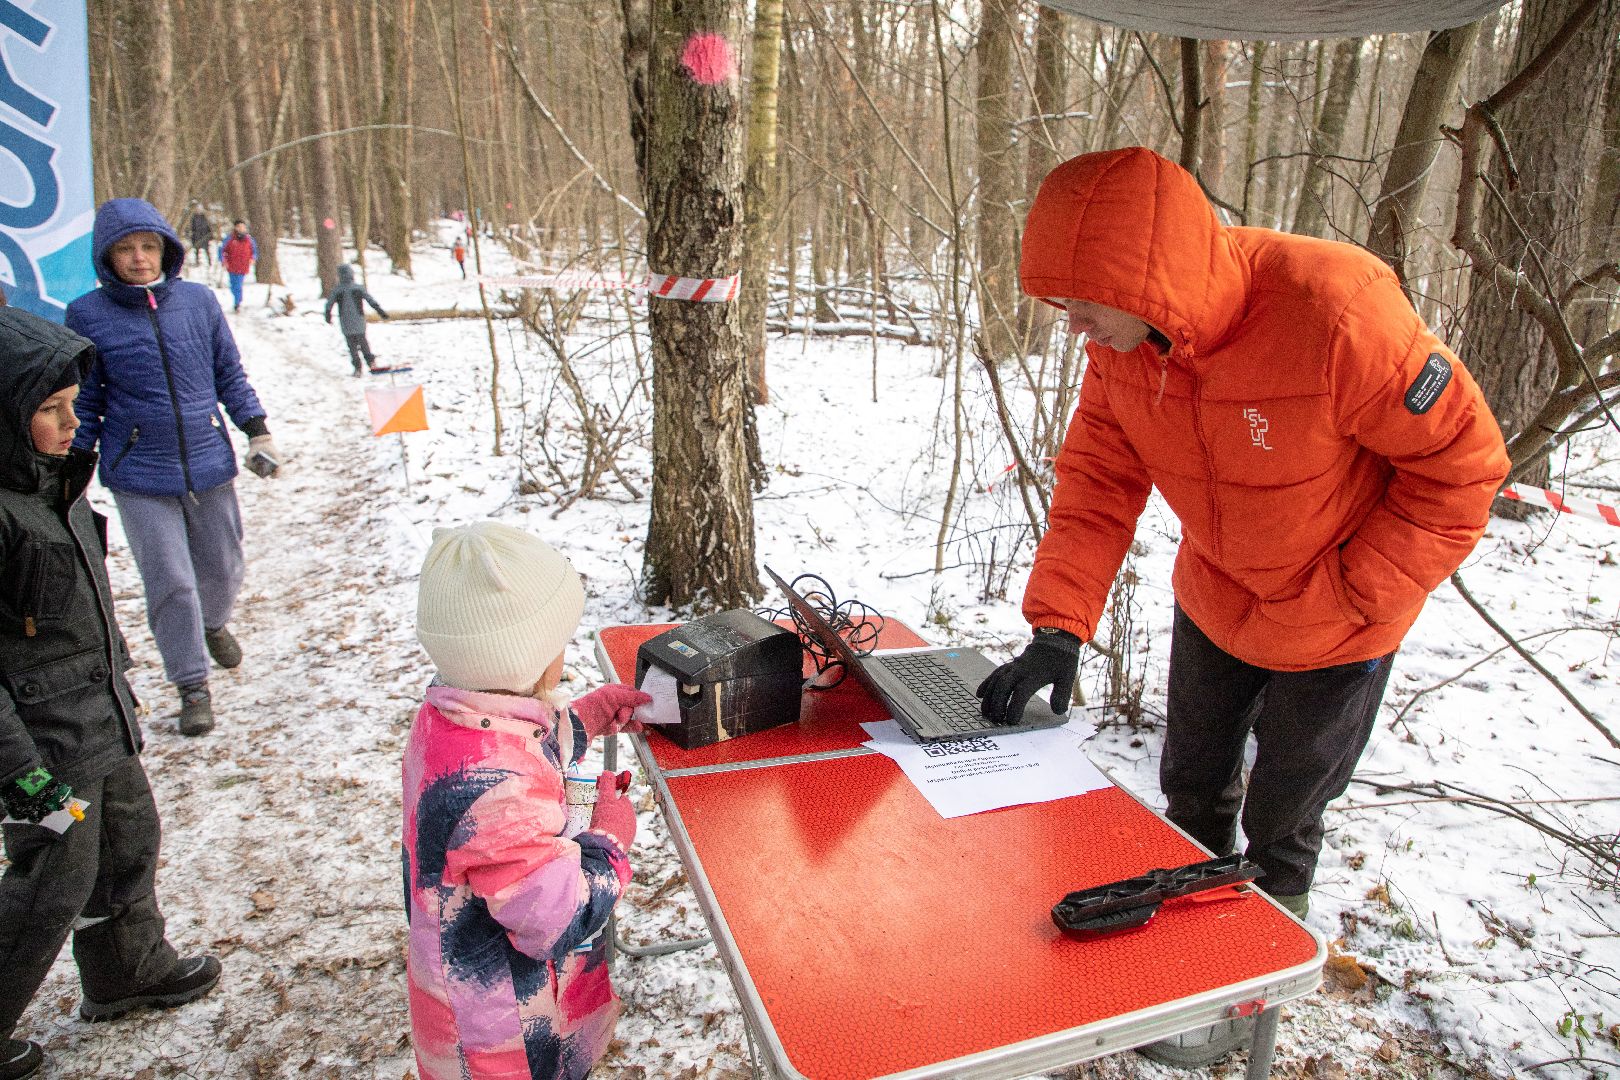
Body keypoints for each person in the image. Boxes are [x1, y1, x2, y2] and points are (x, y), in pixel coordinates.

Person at [976, 147, 1510, 1067]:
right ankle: (1190, 975)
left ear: (1143, 281)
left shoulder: (1334, 310)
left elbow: (1463, 469)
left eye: (1082, 305)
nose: (1072, 327)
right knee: (1190, 791)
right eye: (1061, 307)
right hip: (1218, 598)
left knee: (1284, 822)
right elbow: (1099, 482)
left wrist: (1354, 594)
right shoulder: (1125, 350)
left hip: (1341, 620)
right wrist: (1060, 625)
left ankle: (1255, 997)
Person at [0, 309, 221, 1080]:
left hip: (96, 720)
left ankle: (126, 966)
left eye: (73, 404)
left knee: (130, 838)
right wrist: (18, 774)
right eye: (49, 409)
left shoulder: (50, 486)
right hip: (41, 750)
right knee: (51, 877)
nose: (71, 422)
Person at [405, 521, 649, 1080]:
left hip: (464, 997)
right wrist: (609, 841)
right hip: (501, 1033)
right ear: (529, 657)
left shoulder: (447, 722)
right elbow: (552, 915)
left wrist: (583, 719)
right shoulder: (498, 787)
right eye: (556, 642)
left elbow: (516, 749)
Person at [64, 197, 281, 738]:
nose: (138, 258)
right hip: (139, 473)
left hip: (209, 462)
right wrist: (70, 466)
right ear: (106, 258)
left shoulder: (199, 303)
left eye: (147, 246)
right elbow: (86, 400)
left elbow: (228, 372)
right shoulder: (87, 315)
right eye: (125, 249)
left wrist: (256, 428)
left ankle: (212, 623)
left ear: (166, 249)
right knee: (171, 584)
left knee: (224, 568)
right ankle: (191, 685)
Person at [323, 264, 389, 376]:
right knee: (363, 343)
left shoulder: (337, 290)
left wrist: (328, 316)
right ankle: (371, 363)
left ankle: (357, 368)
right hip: (359, 320)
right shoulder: (358, 288)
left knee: (352, 346)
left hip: (345, 322)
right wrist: (380, 312)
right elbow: (370, 300)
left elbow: (329, 305)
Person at [219, 220, 256, 313]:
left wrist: (253, 258)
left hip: (243, 265)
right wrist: (223, 260)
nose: (241, 229)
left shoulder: (249, 239)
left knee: (238, 284)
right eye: (239, 227)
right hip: (231, 265)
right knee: (233, 285)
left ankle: (237, 303)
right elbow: (222, 250)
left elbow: (254, 251)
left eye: (243, 227)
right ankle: (237, 299)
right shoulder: (229, 238)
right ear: (235, 227)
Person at [186, 203, 211, 268]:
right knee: (196, 251)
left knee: (207, 250)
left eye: (200, 209)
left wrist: (209, 235)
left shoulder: (204, 217)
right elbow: (191, 227)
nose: (199, 210)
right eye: (198, 209)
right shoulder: (193, 217)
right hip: (196, 236)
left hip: (204, 236)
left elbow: (208, 227)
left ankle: (209, 262)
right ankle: (197, 261)